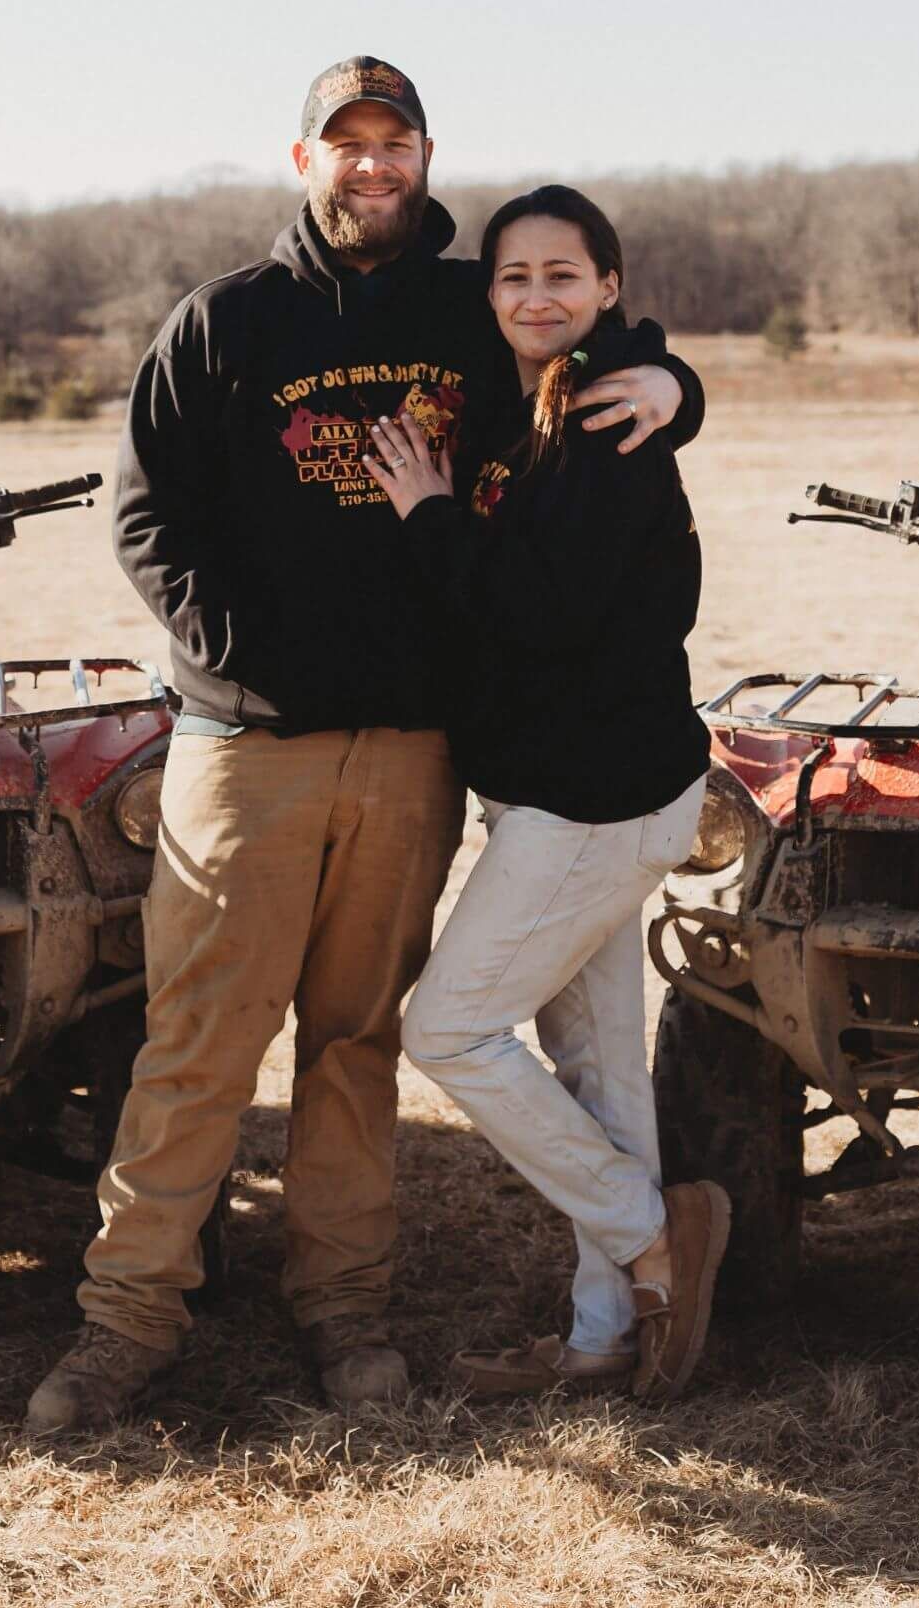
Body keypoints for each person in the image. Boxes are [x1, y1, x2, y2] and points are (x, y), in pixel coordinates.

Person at [25, 59, 706, 1434]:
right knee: (200, 1042)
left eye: (396, 144)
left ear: (426, 156)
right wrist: (241, 661)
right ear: (303, 160)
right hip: (248, 743)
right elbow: (146, 519)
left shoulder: (470, 306)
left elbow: (591, 336)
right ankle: (127, 1318)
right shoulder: (223, 321)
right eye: (348, 145)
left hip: (410, 751)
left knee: (357, 1042)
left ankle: (345, 1311)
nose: (373, 166)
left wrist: (674, 383)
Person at [363, 184, 727, 1401]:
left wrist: (422, 515)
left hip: (594, 795)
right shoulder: (554, 400)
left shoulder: (610, 413)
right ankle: (604, 1333)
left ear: (609, 287)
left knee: (449, 1029)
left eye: (563, 275)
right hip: (565, 791)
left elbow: (537, 611)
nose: (535, 296)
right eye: (514, 276)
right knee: (599, 1066)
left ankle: (654, 1231)